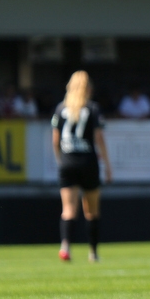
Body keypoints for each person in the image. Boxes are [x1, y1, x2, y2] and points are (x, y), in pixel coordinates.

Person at [51, 71, 112, 263]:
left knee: (68, 210)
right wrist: (108, 164)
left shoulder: (60, 108)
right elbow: (99, 138)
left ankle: (65, 246)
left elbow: (55, 140)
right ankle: (93, 253)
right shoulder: (93, 108)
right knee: (92, 211)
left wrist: (61, 160)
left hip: (67, 162)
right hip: (88, 162)